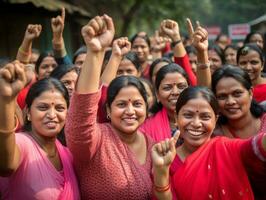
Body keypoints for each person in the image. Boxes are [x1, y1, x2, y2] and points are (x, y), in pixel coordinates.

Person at [65, 15, 153, 199]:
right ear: (107, 110)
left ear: (147, 108)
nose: (130, 111)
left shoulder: (152, 145)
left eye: (137, 104)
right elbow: (82, 114)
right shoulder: (95, 140)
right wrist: (95, 53)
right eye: (121, 104)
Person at [152, 86, 266, 200]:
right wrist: (161, 171)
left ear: (215, 120)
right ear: (176, 117)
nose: (196, 123)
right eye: (188, 115)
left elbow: (255, 146)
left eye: (205, 117)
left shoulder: (227, 149)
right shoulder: (166, 161)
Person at [0, 61, 79, 199]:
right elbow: (6, 166)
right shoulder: (21, 143)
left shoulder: (68, 153)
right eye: (43, 107)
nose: (52, 115)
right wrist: (7, 100)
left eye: (60, 108)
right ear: (28, 113)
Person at [140, 63, 189, 142]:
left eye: (181, 87)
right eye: (167, 88)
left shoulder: (199, 122)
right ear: (157, 94)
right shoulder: (146, 127)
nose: (175, 92)